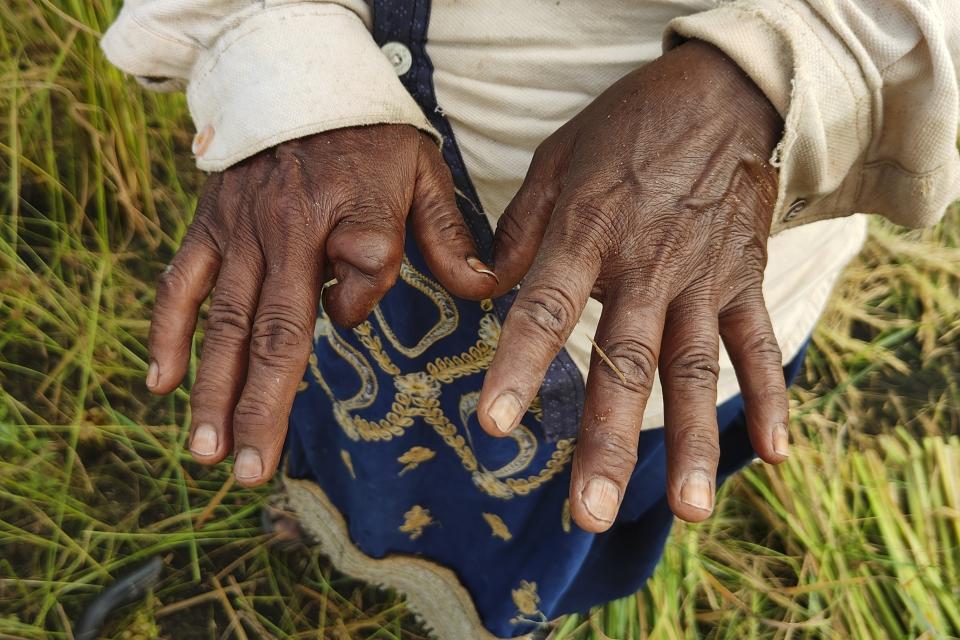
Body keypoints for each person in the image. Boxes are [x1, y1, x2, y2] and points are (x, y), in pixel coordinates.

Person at [101, 1, 959, 637]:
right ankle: (337, 523)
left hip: (660, 273)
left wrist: (775, 75)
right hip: (357, 213)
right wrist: (285, 59)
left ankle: (523, 606)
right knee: (353, 404)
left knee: (585, 483)